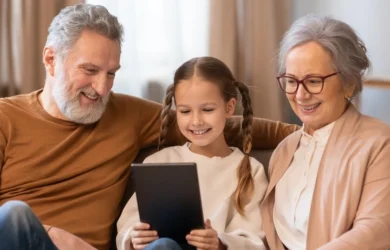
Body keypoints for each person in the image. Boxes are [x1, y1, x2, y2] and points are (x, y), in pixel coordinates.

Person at [0, 3, 299, 250]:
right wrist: (52, 233)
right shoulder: (6, 118)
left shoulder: (128, 114)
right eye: (90, 70)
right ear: (51, 60)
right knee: (14, 216)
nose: (102, 88)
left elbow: (217, 125)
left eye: (111, 73)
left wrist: (306, 131)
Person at [260, 14, 390, 250]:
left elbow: (377, 230)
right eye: (291, 80)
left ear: (348, 83)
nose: (300, 95)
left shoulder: (381, 143)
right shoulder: (284, 150)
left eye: (313, 81)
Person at [116, 56, 268, 250]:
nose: (196, 121)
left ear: (229, 107)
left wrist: (220, 242)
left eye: (207, 109)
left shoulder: (249, 170)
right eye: (185, 111)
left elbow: (255, 240)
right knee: (164, 245)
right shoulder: (159, 162)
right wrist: (133, 238)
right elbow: (127, 227)